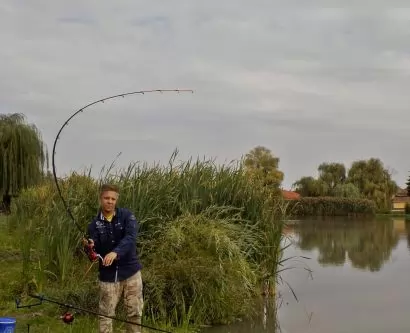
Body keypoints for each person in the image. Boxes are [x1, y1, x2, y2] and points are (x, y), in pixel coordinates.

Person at [85, 183, 144, 333]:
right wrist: (89, 248)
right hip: (108, 275)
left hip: (131, 271)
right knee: (105, 315)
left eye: (113, 199)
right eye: (106, 198)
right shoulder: (93, 225)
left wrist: (115, 252)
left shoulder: (127, 216)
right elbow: (93, 254)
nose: (110, 201)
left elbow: (131, 237)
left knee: (135, 313)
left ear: (116, 200)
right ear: (100, 199)